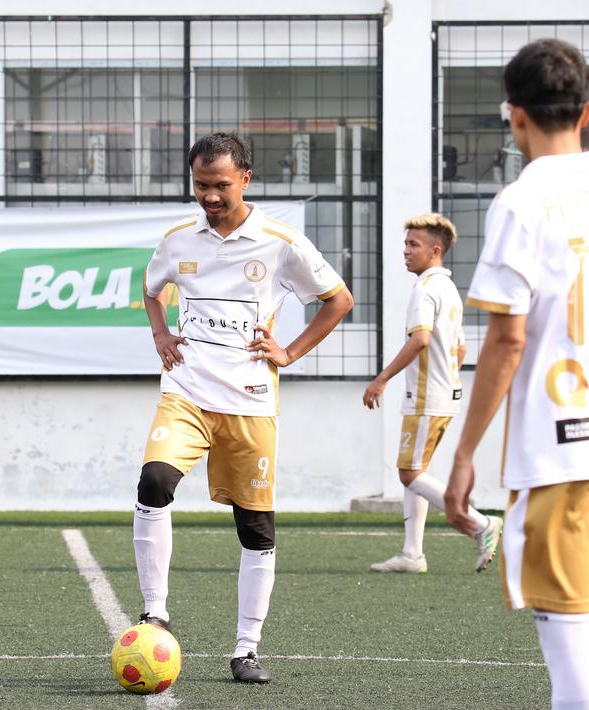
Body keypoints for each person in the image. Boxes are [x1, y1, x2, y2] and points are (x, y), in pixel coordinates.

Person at [443, 39, 589, 710]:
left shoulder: (521, 202)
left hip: (557, 454)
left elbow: (506, 340)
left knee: (571, 651)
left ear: (513, 116)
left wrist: (464, 455)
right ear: (587, 111)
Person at [132, 133, 353, 683]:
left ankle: (246, 648)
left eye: (220, 185)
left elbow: (339, 300)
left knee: (254, 525)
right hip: (186, 392)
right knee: (154, 481)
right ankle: (155, 612)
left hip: (250, 402)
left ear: (246, 179)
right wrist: (161, 333)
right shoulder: (178, 239)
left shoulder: (280, 242)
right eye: (200, 185)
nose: (209, 196)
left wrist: (290, 353)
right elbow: (151, 289)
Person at [362, 213, 500, 574]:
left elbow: (420, 339)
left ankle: (480, 524)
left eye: (414, 244)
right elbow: (461, 348)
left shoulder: (424, 289)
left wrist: (382, 378)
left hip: (427, 397)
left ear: (435, 250)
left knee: (409, 474)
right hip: (443, 395)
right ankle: (412, 553)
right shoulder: (449, 289)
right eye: (406, 243)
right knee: (416, 470)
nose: (406, 251)